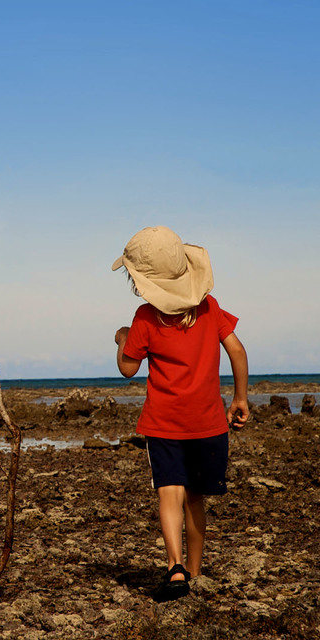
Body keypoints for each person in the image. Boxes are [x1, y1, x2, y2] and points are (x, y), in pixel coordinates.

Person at [111, 226, 250, 600]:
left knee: (168, 492)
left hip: (164, 424)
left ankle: (175, 568)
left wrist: (123, 337)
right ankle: (195, 570)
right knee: (195, 498)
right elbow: (237, 351)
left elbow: (127, 369)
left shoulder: (144, 317)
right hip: (208, 425)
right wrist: (240, 398)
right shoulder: (210, 307)